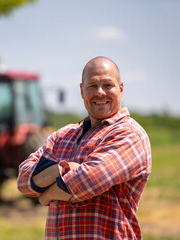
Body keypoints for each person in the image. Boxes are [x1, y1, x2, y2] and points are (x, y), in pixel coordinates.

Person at [17, 56, 152, 239]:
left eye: (108, 85)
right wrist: (63, 169)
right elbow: (24, 180)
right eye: (92, 86)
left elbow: (90, 179)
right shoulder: (63, 135)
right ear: (82, 91)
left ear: (121, 89)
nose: (100, 92)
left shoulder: (130, 134)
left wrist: (46, 195)